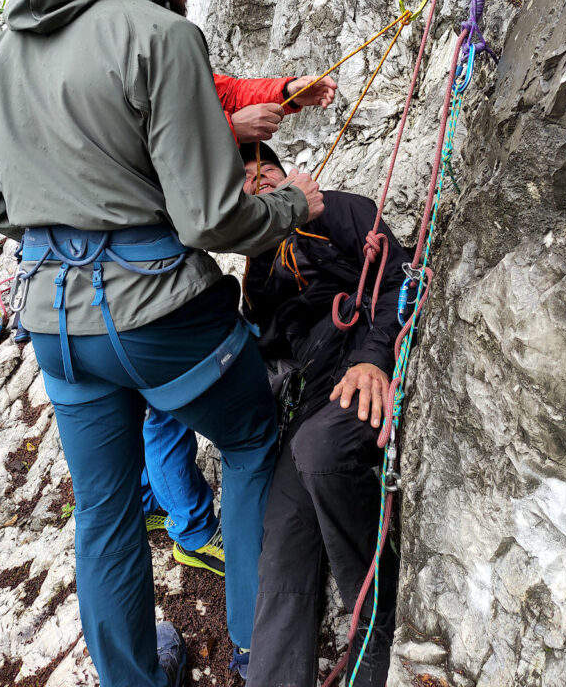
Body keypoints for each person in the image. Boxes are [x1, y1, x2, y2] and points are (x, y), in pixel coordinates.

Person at [0, 0, 324, 687]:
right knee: (247, 442)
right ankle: (252, 645)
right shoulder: (161, 39)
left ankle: (131, 677)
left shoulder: (2, 53)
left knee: (103, 511)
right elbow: (212, 222)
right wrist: (292, 207)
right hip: (163, 318)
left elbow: (0, 207)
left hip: (58, 326)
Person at [145, 142, 407, 685]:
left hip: (354, 365)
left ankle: (372, 629)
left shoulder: (338, 209)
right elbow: (266, 351)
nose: (258, 181)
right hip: (310, 394)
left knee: (318, 453)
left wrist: (372, 359)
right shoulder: (259, 265)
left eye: (267, 169)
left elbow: (398, 277)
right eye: (244, 179)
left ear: (293, 179)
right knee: (282, 529)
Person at [141, 70, 337, 578]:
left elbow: (214, 88)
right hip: (146, 290)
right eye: (250, 181)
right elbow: (142, 153)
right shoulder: (129, 46)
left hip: (108, 293)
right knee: (166, 409)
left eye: (264, 175)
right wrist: (230, 129)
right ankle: (192, 530)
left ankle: (155, 496)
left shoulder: (145, 39)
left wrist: (287, 92)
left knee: (160, 407)